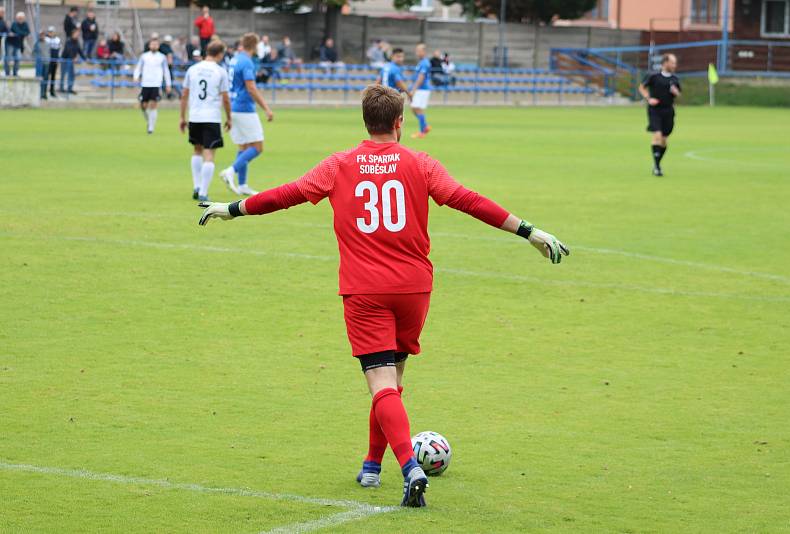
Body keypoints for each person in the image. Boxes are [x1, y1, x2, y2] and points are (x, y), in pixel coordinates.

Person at [197, 84, 570, 507]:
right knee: (393, 382)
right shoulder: (422, 163)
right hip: (414, 289)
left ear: (365, 120)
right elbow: (469, 201)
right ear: (399, 122)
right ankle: (372, 466)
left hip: (365, 290)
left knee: (380, 384)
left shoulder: (339, 165)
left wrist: (231, 209)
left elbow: (285, 196)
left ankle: (409, 467)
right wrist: (530, 231)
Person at [220, 32, 275, 197]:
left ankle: (242, 184)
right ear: (254, 45)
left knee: (243, 146)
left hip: (234, 106)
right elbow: (251, 87)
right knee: (257, 147)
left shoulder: (235, 59)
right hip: (245, 108)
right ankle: (230, 171)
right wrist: (266, 108)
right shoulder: (247, 62)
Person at [180, 40, 231, 202]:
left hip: (195, 115)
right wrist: (229, 117)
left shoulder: (192, 69)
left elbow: (184, 95)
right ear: (220, 54)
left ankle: (196, 186)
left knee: (197, 150)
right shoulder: (220, 71)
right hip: (211, 117)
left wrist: (182, 117)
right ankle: (203, 191)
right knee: (209, 155)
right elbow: (226, 98)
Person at [638, 53, 681, 177]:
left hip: (668, 111)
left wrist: (675, 92)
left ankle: (657, 163)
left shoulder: (674, 79)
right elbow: (642, 87)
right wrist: (648, 98)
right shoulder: (653, 76)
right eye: (672, 62)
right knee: (657, 135)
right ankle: (657, 167)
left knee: (664, 140)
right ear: (665, 63)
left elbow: (678, 94)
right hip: (655, 110)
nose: (674, 65)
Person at [133, 38, 172, 135]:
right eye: (152, 44)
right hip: (145, 83)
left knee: (153, 105)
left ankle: (151, 128)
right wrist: (136, 77)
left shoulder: (162, 57)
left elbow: (166, 71)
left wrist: (168, 84)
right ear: (149, 46)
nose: (154, 46)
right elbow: (138, 67)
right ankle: (149, 121)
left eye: (156, 44)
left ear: (158, 46)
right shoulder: (144, 56)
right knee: (143, 106)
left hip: (156, 84)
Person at [409, 43, 432, 139]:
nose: (417, 53)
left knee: (417, 109)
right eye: (416, 50)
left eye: (419, 51)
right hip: (420, 89)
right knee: (414, 108)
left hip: (422, 89)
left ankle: (422, 132)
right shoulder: (421, 62)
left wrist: (413, 90)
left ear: (424, 51)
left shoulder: (425, 63)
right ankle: (425, 126)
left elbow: (421, 78)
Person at [59, 28, 85, 94]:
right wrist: (73, 58)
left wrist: (85, 58)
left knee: (71, 75)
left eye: (78, 34)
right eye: (76, 34)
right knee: (63, 74)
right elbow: (68, 50)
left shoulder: (77, 42)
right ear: (73, 34)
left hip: (71, 60)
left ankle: (70, 89)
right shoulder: (68, 40)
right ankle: (61, 88)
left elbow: (79, 50)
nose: (77, 35)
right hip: (65, 59)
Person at [4, 12, 29, 77]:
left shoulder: (25, 24)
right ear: (17, 18)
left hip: (18, 45)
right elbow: (18, 31)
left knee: (18, 59)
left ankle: (15, 73)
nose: (20, 19)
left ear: (24, 18)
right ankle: (7, 73)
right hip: (10, 43)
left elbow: (27, 32)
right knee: (8, 58)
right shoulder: (14, 23)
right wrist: (22, 33)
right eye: (19, 18)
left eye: (21, 18)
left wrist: (21, 34)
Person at [44, 26, 60, 97]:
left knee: (53, 77)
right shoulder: (46, 39)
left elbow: (59, 50)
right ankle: (44, 92)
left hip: (54, 60)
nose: (51, 33)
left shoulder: (57, 39)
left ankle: (52, 91)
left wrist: (58, 59)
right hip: (48, 60)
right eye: (50, 32)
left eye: (52, 32)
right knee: (46, 76)